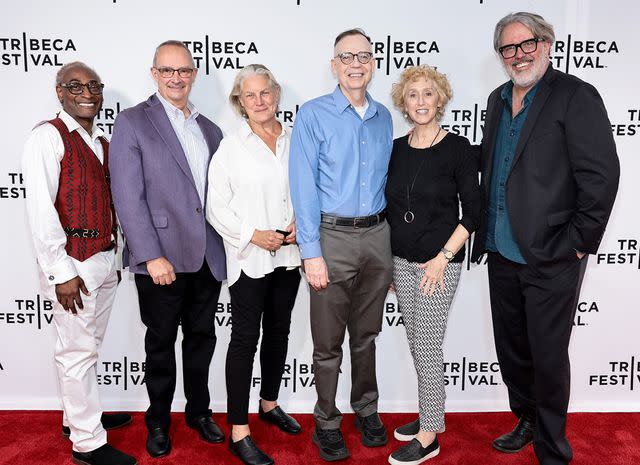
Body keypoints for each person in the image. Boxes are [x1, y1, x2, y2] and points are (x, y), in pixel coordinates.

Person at [471, 12, 620, 465]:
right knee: (512, 348)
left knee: (548, 354)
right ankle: (527, 419)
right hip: (500, 249)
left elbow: (601, 176)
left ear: (548, 44)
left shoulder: (576, 96)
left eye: (527, 44)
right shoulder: (498, 100)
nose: (518, 55)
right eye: (508, 48)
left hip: (553, 252)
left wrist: (578, 242)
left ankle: (552, 445)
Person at [109, 40, 227, 458]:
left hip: (207, 257)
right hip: (160, 258)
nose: (177, 78)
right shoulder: (133, 122)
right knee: (160, 345)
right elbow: (127, 195)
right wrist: (150, 254)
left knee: (201, 340)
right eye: (168, 70)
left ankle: (199, 413)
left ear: (194, 74)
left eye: (184, 70)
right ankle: (158, 421)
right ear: (155, 73)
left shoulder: (210, 129)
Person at [22, 62, 136, 465]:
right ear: (59, 92)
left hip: (105, 261)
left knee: (86, 348)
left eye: (94, 86)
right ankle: (87, 443)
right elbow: (40, 210)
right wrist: (60, 272)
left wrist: (117, 254)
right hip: (74, 266)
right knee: (75, 352)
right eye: (75, 86)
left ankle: (78, 418)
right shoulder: (47, 137)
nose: (87, 93)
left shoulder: (102, 142)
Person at [289, 28, 394, 462]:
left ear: (373, 64)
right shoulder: (313, 115)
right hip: (330, 239)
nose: (356, 63)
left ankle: (366, 410)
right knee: (328, 343)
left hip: (377, 236)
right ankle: (327, 421)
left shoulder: (385, 115)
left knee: (366, 336)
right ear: (334, 65)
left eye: (364, 56)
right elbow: (303, 187)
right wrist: (311, 253)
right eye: (346, 56)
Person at [206, 64, 302, 465]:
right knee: (245, 339)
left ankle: (269, 403)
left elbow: (310, 188)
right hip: (250, 258)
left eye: (266, 93)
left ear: (276, 94)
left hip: (290, 256)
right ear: (239, 102)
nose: (260, 101)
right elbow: (215, 207)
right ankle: (239, 429)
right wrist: (252, 234)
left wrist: (303, 222)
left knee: (279, 331)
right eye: (250, 95)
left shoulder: (297, 140)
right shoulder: (231, 147)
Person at [385, 65, 481, 465]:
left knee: (426, 349)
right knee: (419, 345)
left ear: (440, 99)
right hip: (401, 263)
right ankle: (432, 415)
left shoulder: (457, 148)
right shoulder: (395, 147)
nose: (421, 101)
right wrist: (390, 265)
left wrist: (443, 259)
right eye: (413, 95)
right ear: (403, 103)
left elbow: (474, 212)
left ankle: (429, 437)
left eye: (428, 94)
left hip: (436, 265)